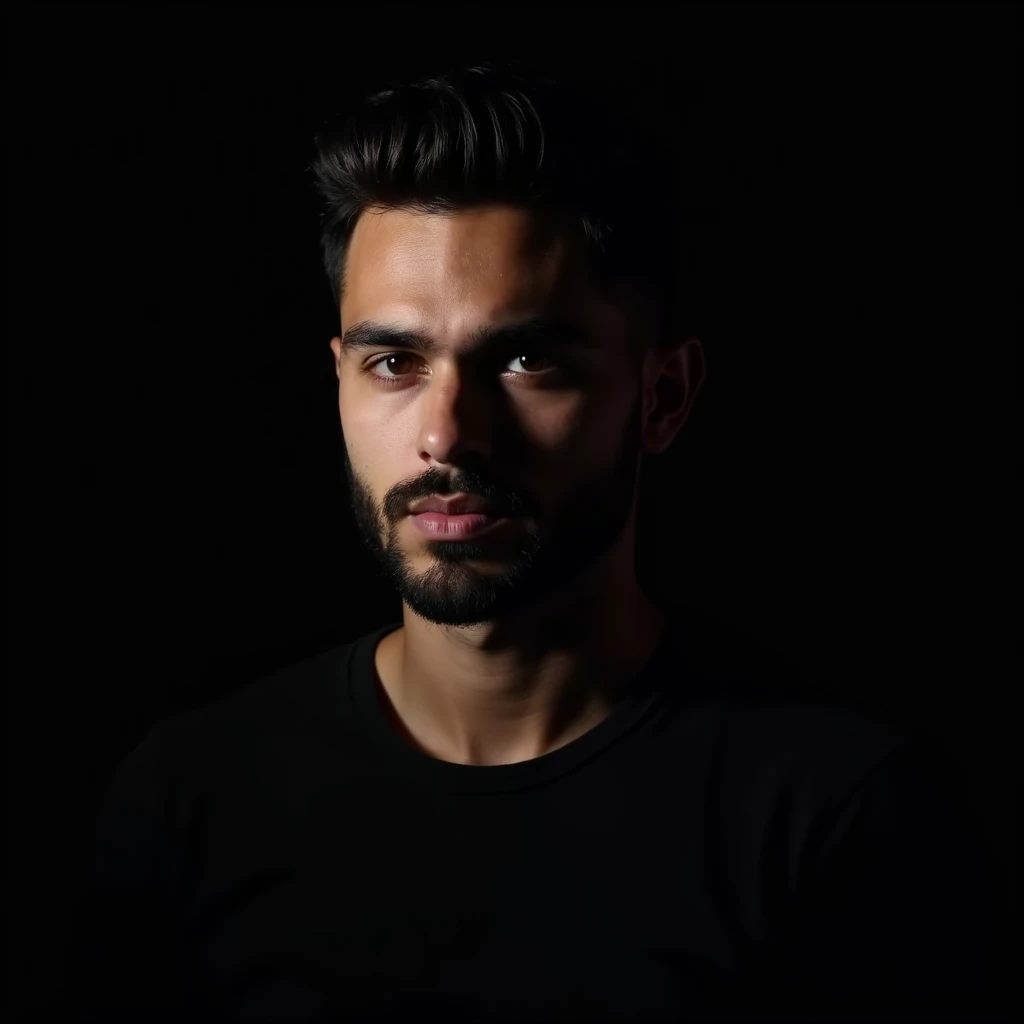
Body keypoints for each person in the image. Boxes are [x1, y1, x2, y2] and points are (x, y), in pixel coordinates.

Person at [67, 61, 1010, 1022]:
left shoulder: (839, 821)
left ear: (663, 396)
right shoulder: (190, 802)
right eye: (394, 362)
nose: (448, 433)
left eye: (525, 360)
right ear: (339, 381)